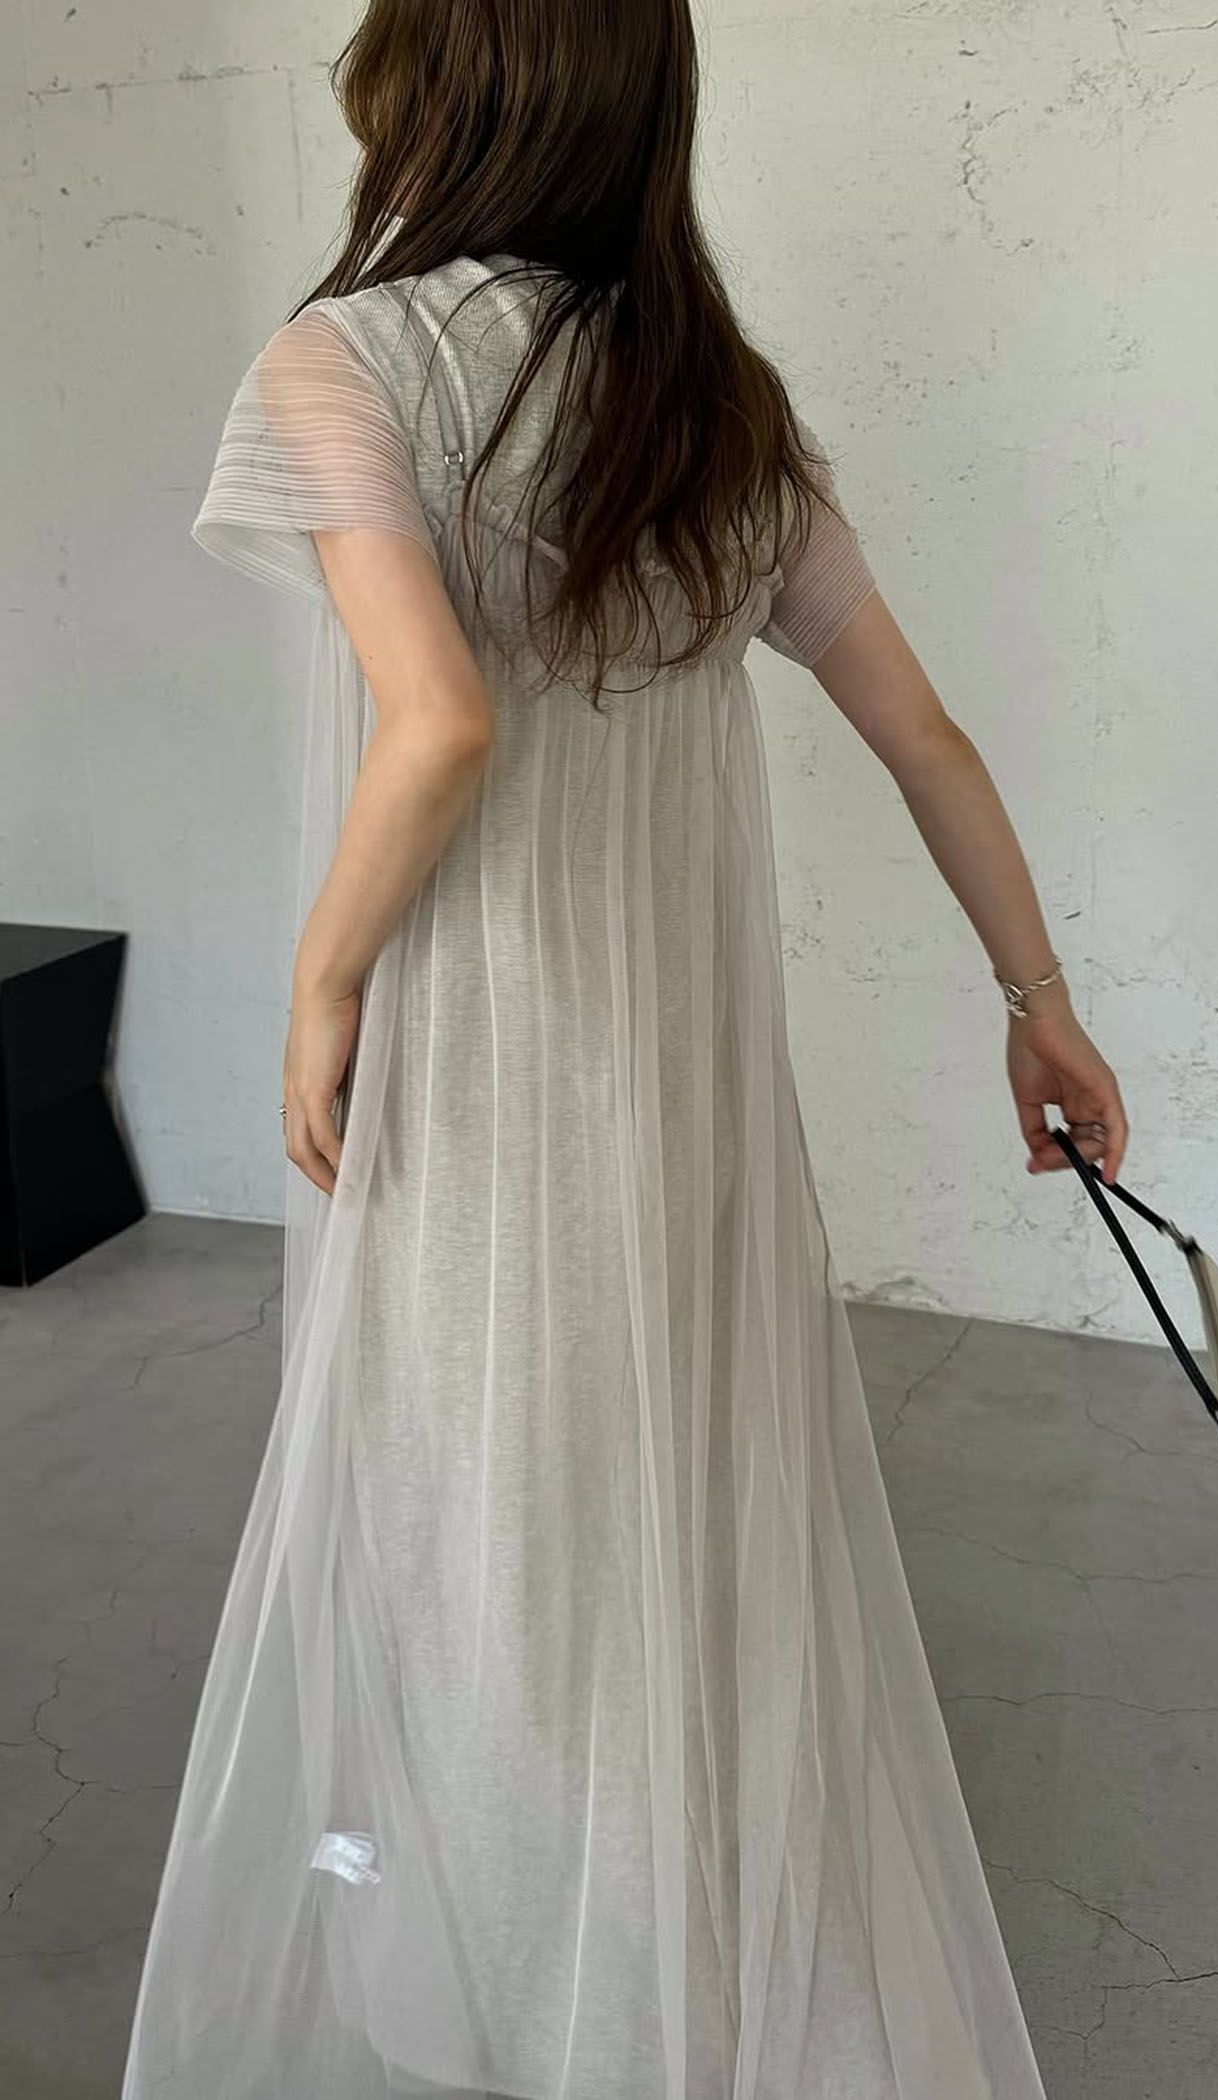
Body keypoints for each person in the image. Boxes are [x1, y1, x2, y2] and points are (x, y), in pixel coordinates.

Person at [122, 2, 1127, 2094]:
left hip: (485, 1066)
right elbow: (924, 735)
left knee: (485, 1515)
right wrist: (1039, 1008)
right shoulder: (713, 403)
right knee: (682, 1512)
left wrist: (320, 983)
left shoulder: (349, 363)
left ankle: (534, 1983)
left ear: (437, 91)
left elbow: (440, 723)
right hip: (684, 1087)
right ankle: (678, 1961)